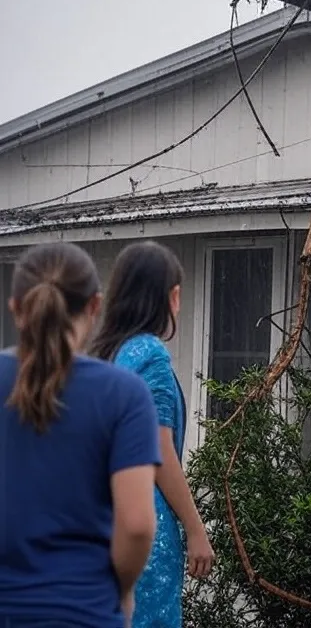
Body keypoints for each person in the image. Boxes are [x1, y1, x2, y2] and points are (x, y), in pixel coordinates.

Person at [0, 242, 160, 627]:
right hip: (84, 613)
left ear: (16, 308)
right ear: (94, 307)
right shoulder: (124, 395)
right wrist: (120, 591)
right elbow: (137, 525)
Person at [91, 241, 215, 628]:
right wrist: (195, 529)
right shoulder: (151, 355)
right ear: (172, 296)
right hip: (146, 529)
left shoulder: (109, 356)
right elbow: (157, 449)